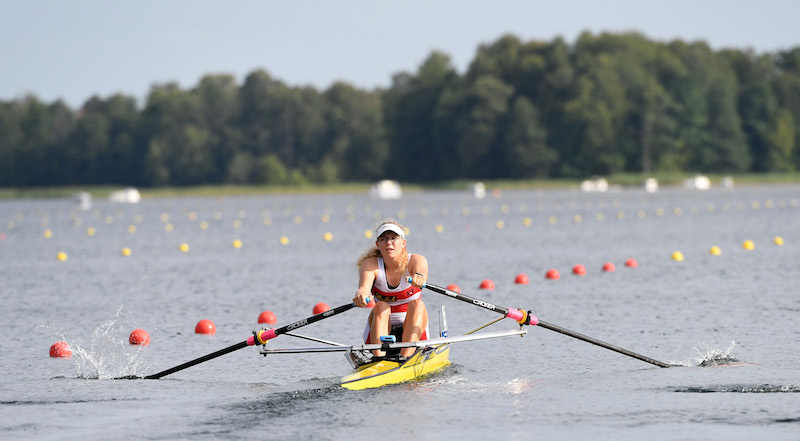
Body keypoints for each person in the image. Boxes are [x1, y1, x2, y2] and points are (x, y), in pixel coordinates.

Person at [352, 220, 429, 358]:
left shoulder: (416, 260)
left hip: (414, 326)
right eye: (384, 239)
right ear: (378, 244)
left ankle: (405, 358)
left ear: (403, 243)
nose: (389, 242)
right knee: (381, 306)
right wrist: (361, 295)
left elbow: (421, 272)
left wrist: (420, 277)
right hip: (380, 326)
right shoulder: (370, 264)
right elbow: (363, 288)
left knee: (417, 305)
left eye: (394, 238)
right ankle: (378, 358)